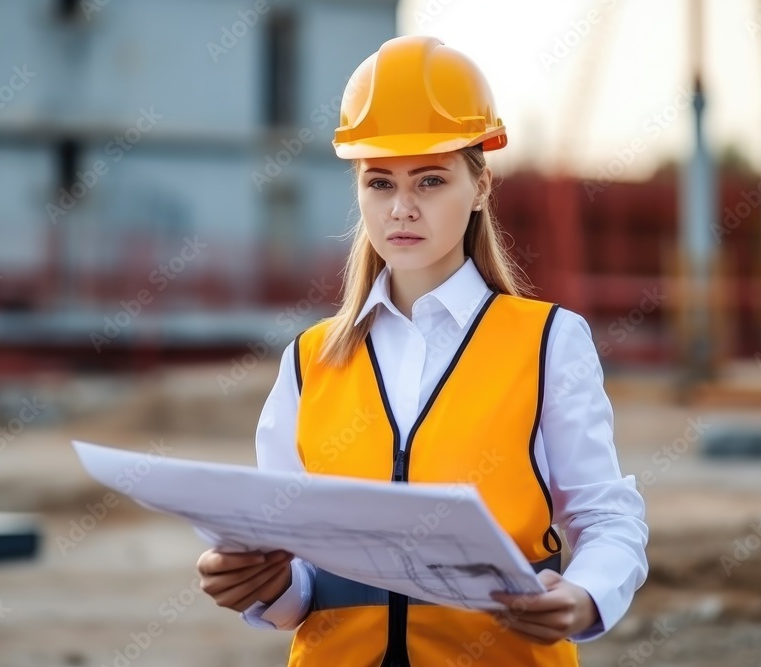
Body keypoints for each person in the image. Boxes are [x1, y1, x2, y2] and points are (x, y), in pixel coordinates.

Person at [197, 35, 648, 666]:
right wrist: (263, 586)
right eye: (380, 182)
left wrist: (584, 595)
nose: (402, 209)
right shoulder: (309, 360)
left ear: (481, 186)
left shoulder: (547, 342)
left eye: (430, 180)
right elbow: (299, 582)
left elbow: (606, 519)